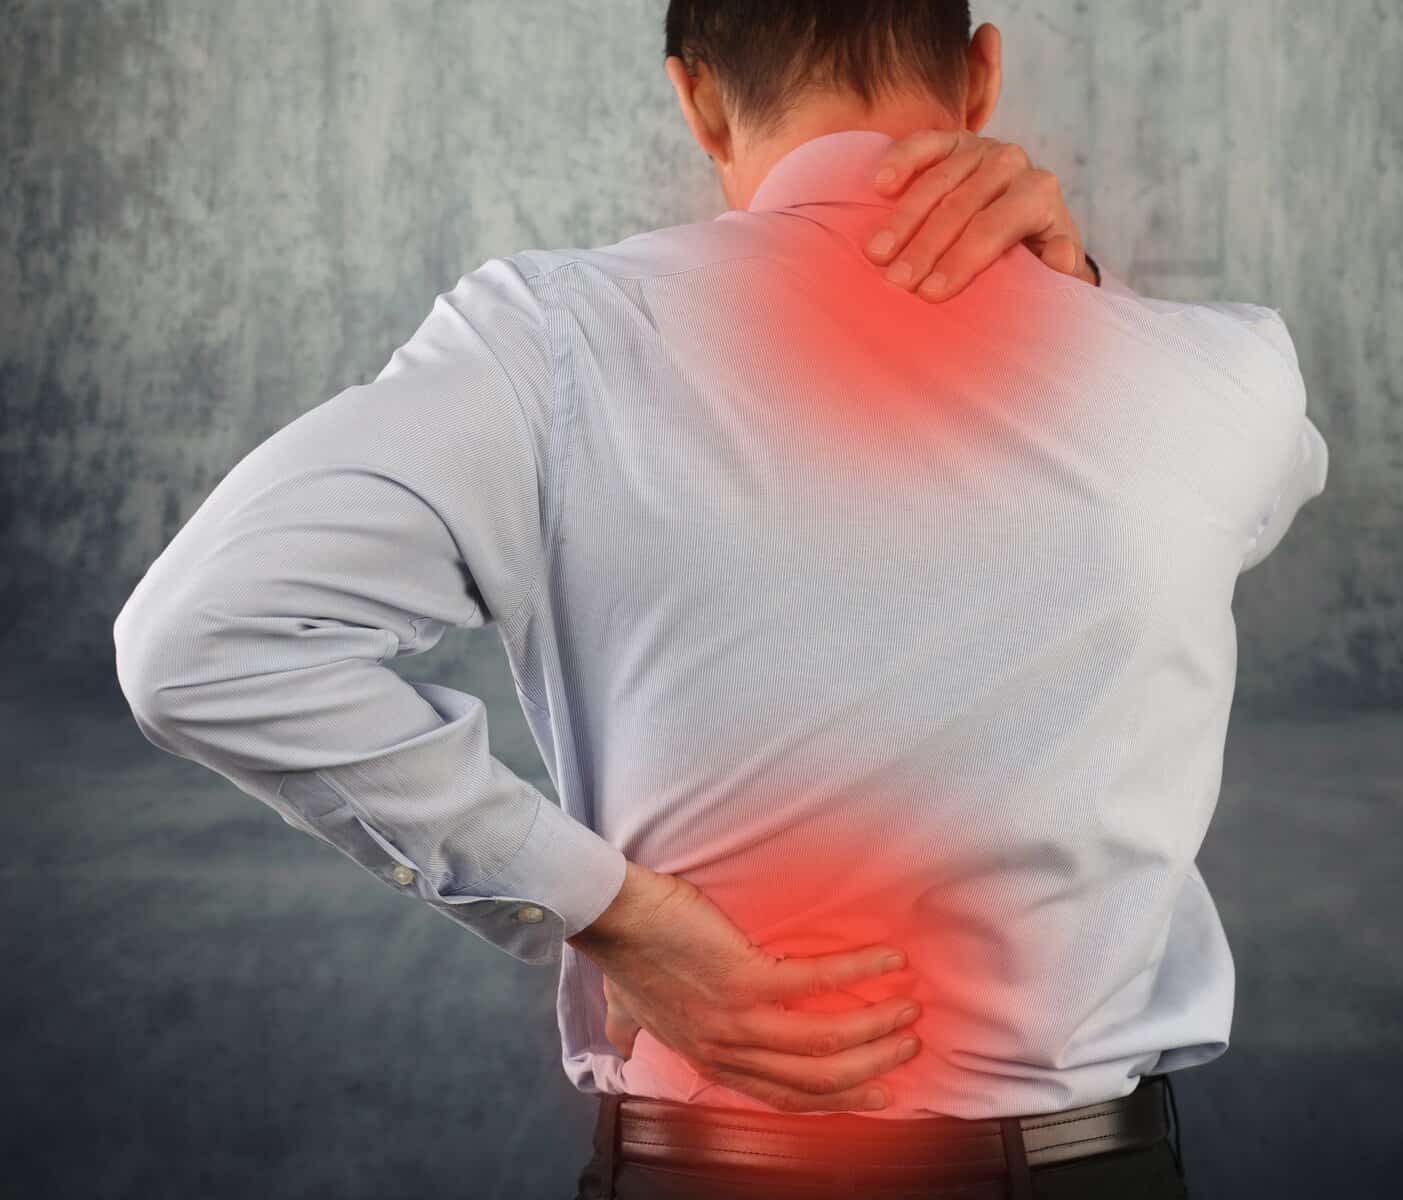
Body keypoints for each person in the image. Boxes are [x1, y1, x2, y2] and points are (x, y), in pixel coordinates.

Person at [112, 2, 1329, 1196]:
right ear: (979, 78)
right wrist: (1086, 288)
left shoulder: (552, 347)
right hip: (1084, 1175)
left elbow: (199, 640)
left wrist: (606, 910)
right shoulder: (1227, 381)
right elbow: (1260, 482)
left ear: (693, 97)